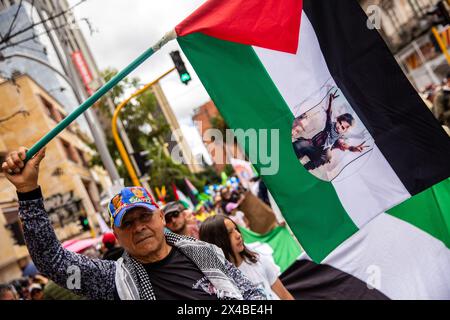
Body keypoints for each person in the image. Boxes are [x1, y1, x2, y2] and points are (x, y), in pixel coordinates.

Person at [1, 147, 266, 300]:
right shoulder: (112, 280)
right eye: (127, 223)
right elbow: (52, 262)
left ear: (160, 217)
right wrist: (28, 192)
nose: (138, 227)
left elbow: (252, 295)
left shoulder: (205, 253)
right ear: (116, 235)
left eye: (144, 217)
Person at [199, 215, 294, 300]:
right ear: (216, 242)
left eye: (236, 229)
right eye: (229, 233)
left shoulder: (257, 259)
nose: (238, 235)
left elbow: (284, 295)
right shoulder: (217, 285)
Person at [293, 90, 368, 171]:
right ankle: (294, 156)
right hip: (310, 146)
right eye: (339, 123)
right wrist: (331, 101)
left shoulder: (339, 137)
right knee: (300, 144)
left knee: (328, 155)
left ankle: (305, 169)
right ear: (337, 120)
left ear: (345, 130)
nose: (339, 127)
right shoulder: (330, 125)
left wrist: (353, 148)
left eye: (342, 127)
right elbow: (329, 113)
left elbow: (344, 145)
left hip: (318, 156)